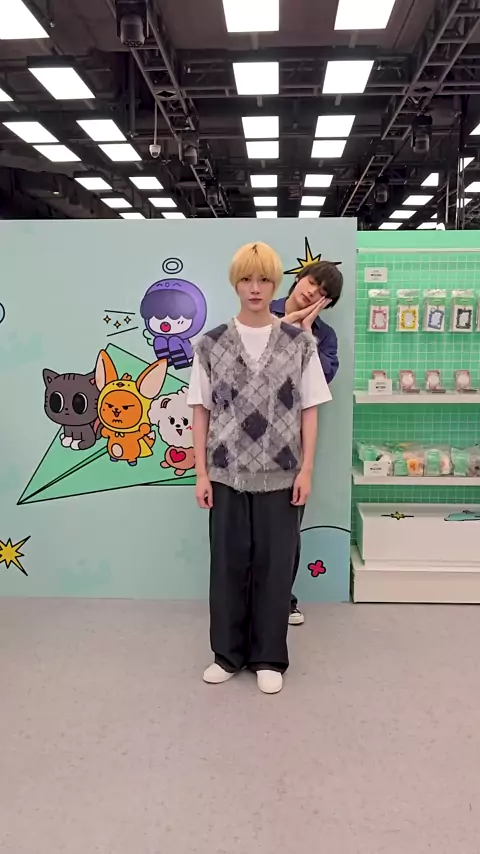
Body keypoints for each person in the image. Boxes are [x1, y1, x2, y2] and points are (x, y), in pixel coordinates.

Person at [188, 242, 331, 695]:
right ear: (236, 283)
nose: (255, 288)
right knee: (228, 566)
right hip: (225, 474)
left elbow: (310, 409)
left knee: (274, 567)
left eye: (264, 280)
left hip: (282, 475)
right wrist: (201, 473)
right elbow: (200, 411)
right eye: (247, 279)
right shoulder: (210, 344)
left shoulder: (300, 344)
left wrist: (307, 470)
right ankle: (227, 654)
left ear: (275, 284)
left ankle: (268, 655)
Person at [271, 260, 343, 626]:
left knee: (286, 531)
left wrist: (306, 332)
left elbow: (322, 378)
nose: (313, 291)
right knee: (244, 533)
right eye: (312, 282)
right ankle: (246, 603)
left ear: (326, 303)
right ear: (298, 278)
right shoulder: (260, 312)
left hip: (291, 443)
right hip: (243, 440)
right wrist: (287, 324)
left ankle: (283, 599)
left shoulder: (324, 337)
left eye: (323, 292)